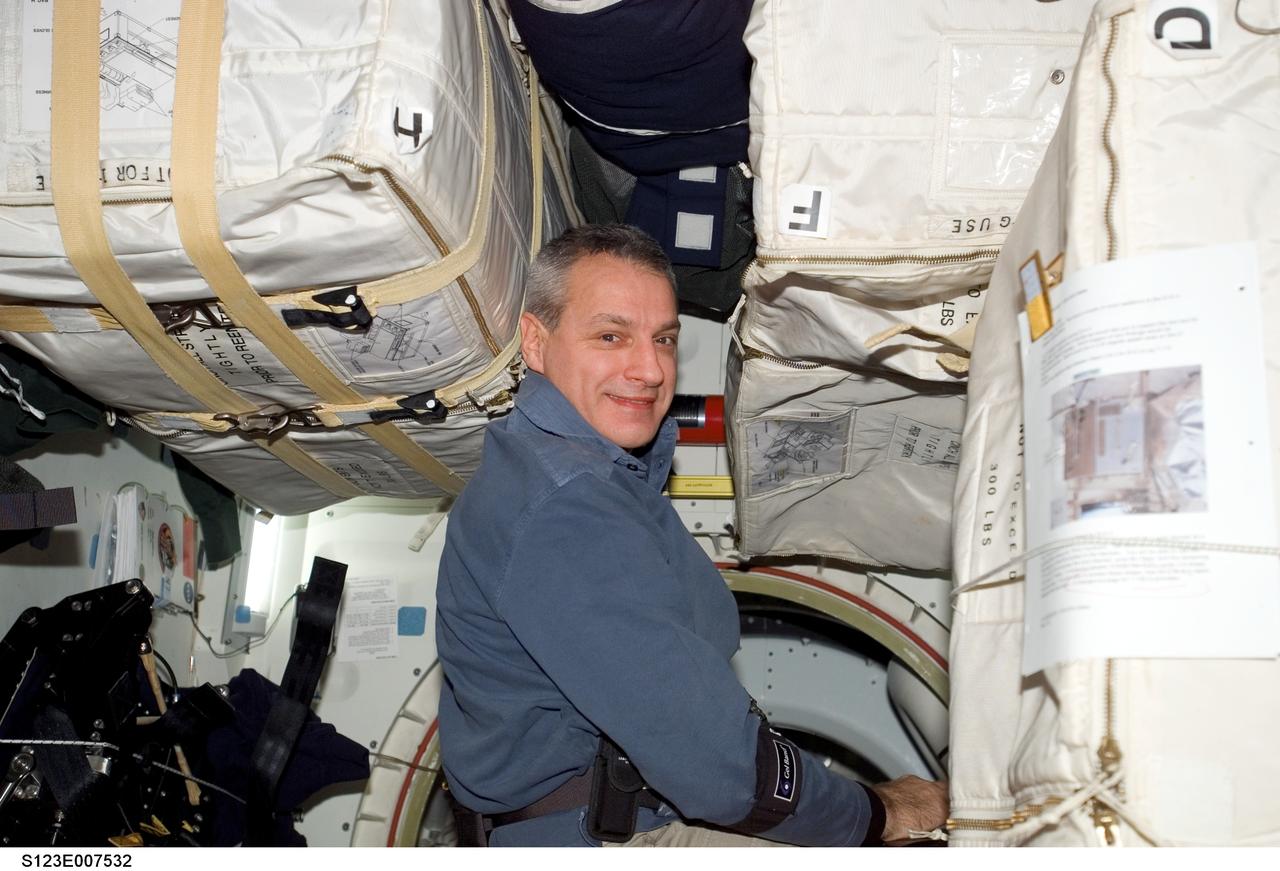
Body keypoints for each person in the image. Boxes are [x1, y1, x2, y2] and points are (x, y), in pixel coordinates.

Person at [435, 224, 948, 847]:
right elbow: (718, 766)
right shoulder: (567, 502)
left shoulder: (584, 478)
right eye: (611, 336)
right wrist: (875, 812)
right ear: (536, 342)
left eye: (665, 340)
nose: (649, 369)